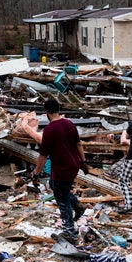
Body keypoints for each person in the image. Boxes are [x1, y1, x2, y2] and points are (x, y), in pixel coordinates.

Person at [32, 99, 88, 243]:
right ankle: (77, 205)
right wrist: (83, 161)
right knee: (55, 185)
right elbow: (78, 143)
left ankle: (69, 232)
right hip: (73, 165)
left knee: (62, 199)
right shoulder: (69, 123)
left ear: (47, 113)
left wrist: (36, 173)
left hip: (62, 167)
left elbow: (43, 155)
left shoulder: (50, 130)